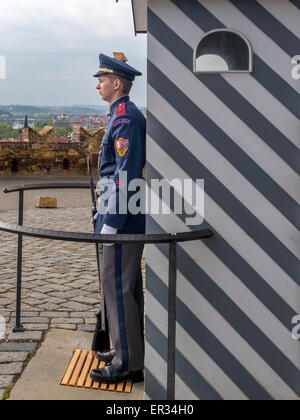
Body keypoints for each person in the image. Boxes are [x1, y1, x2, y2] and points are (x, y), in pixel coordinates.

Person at [90, 53, 146, 384]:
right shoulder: (118, 115)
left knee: (119, 288)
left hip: (122, 218)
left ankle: (127, 364)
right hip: (116, 212)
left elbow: (126, 175)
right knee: (122, 287)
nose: (98, 85)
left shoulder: (125, 119)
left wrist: (112, 219)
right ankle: (125, 348)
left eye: (101, 80)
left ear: (117, 83)